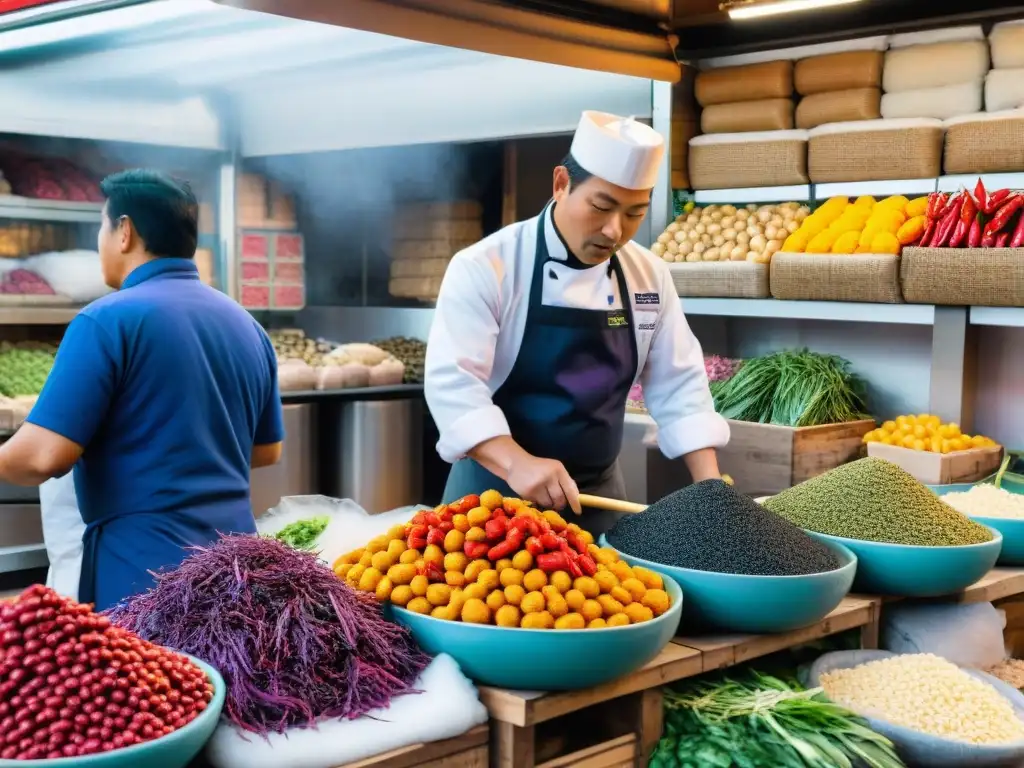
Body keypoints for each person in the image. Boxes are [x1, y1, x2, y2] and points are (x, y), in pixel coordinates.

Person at [425, 111, 729, 531]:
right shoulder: (486, 265)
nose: (613, 231)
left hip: (598, 499)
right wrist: (517, 464)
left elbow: (680, 384)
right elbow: (454, 385)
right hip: (491, 499)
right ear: (561, 184)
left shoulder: (649, 275)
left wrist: (713, 491)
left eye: (634, 214)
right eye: (601, 206)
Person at [0, 169, 284, 610]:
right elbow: (267, 452)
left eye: (101, 225)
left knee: (155, 680)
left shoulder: (106, 320)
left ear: (125, 231)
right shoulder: (246, 325)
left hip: (144, 576)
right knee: (217, 680)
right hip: (235, 570)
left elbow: (41, 457)